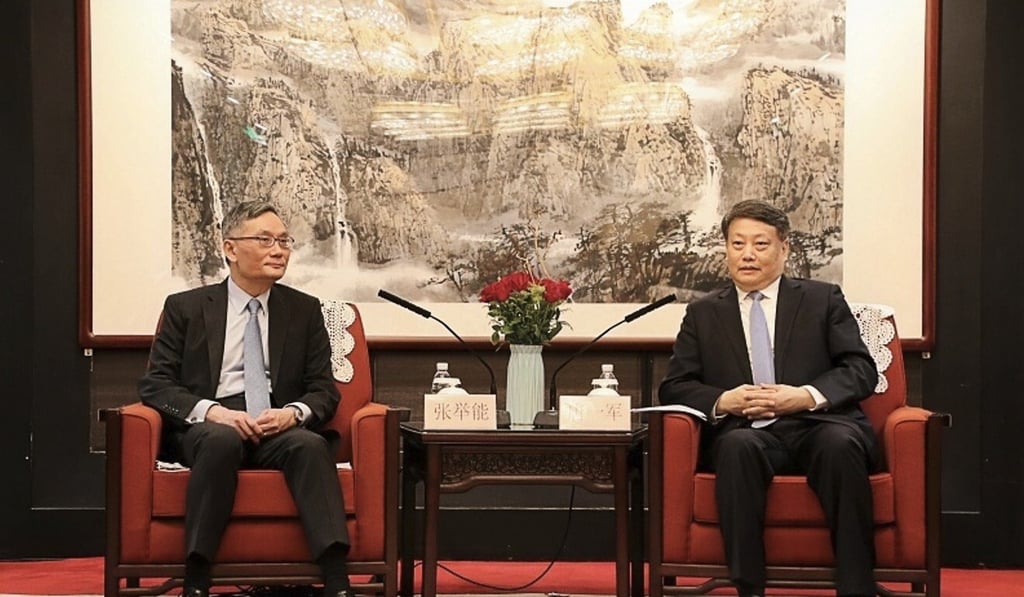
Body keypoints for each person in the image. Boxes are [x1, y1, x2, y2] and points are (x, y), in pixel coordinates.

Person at [658, 200, 879, 597]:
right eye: (737, 243)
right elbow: (675, 385)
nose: (747, 254)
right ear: (725, 248)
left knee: (840, 445)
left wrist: (804, 396)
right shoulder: (703, 313)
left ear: (784, 248)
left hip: (818, 424)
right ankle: (749, 587)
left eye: (760, 244)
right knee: (737, 447)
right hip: (746, 430)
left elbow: (861, 370)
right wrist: (725, 400)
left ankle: (856, 586)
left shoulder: (822, 299)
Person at [139, 201, 353, 597]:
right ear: (230, 249)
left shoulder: (304, 311)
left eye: (284, 241)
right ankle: (198, 573)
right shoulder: (185, 308)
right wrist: (212, 412)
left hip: (276, 424)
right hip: (211, 426)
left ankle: (336, 576)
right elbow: (155, 386)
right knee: (220, 441)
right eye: (265, 239)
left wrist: (293, 413)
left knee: (309, 445)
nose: (279, 250)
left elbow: (324, 389)